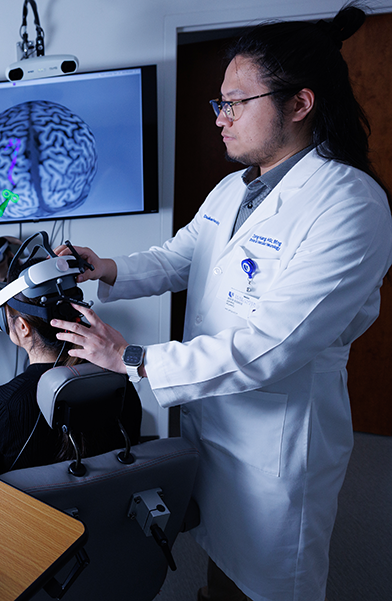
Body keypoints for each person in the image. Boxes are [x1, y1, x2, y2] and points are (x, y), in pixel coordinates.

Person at [52, 6, 392, 601]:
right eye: (219, 103)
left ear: (300, 103)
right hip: (215, 421)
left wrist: (132, 357)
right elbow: (181, 256)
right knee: (221, 560)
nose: (221, 118)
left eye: (235, 102)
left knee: (271, 579)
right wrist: (106, 267)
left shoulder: (349, 204)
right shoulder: (236, 185)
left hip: (279, 439)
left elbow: (273, 346)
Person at [0, 259, 142, 477]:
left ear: (23, 327)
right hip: (105, 507)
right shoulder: (120, 384)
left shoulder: (2, 406)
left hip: (27, 511)